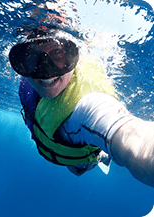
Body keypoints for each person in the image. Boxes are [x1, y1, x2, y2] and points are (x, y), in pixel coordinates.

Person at [9, 26, 154, 187]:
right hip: (53, 141)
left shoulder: (89, 105)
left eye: (57, 53)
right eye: (32, 56)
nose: (46, 71)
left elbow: (135, 138)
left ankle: (100, 156)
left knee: (78, 169)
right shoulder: (29, 76)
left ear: (72, 57)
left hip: (76, 154)